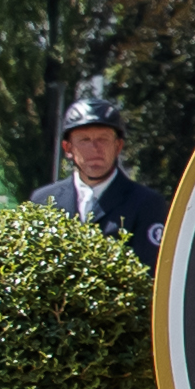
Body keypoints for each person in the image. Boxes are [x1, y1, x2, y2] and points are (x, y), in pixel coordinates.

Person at [28, 88, 167, 262]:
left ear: (118, 146)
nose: (95, 149)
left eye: (103, 139)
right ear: (68, 148)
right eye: (84, 140)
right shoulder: (43, 201)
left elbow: (148, 273)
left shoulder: (146, 204)